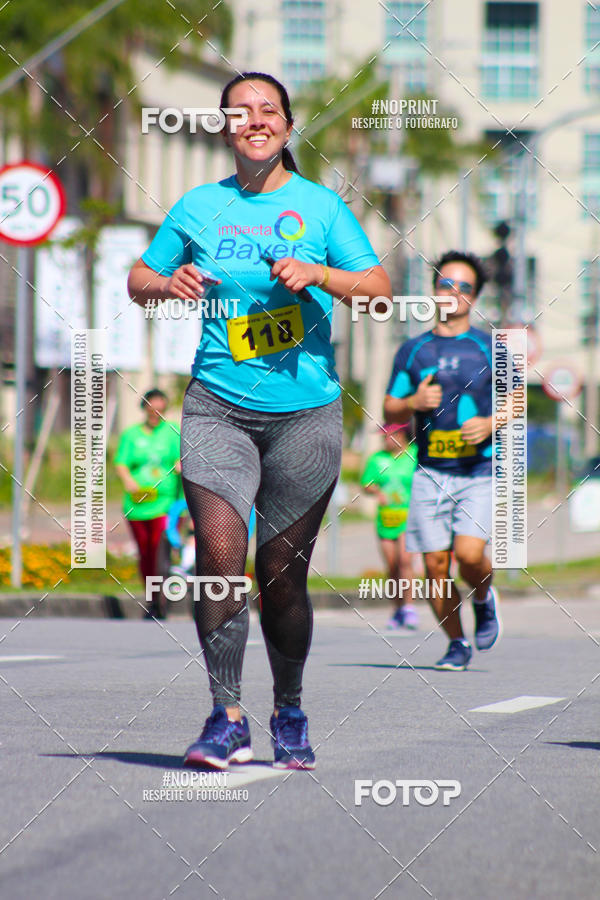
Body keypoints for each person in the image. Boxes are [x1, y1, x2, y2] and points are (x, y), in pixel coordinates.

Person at [127, 72, 390, 768]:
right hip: (217, 408)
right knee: (219, 562)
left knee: (281, 577)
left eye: (267, 110)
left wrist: (319, 274)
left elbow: (379, 291)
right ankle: (227, 716)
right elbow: (138, 280)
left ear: (287, 126)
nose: (254, 120)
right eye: (239, 112)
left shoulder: (321, 206)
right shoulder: (198, 205)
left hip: (306, 415)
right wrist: (168, 283)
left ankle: (290, 710)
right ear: (224, 128)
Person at [384, 250, 501, 671]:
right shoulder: (413, 350)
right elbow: (390, 407)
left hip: (478, 472)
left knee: (468, 555)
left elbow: (517, 398)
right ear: (434, 291)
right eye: (445, 284)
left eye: (463, 287)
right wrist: (413, 402)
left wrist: (490, 422)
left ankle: (484, 598)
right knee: (435, 565)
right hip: (430, 472)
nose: (453, 292)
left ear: (474, 297)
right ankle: (457, 643)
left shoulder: (490, 347)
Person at [114, 389, 181, 618]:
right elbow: (121, 463)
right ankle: (152, 599)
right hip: (137, 504)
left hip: (165, 503)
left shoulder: (172, 432)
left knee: (159, 550)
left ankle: (161, 600)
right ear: (144, 409)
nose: (156, 415)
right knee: (146, 553)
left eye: (160, 410)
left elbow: (182, 457)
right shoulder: (131, 435)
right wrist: (128, 480)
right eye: (152, 410)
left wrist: (180, 465)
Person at [361, 423, 418, 629]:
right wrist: (377, 492)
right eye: (383, 436)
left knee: (405, 561)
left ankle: (409, 607)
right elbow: (366, 484)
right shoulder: (377, 459)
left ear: (401, 435)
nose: (385, 440)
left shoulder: (415, 454)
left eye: (388, 435)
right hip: (386, 518)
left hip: (409, 517)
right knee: (392, 566)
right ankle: (397, 609)